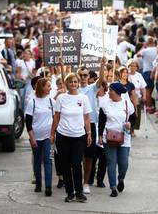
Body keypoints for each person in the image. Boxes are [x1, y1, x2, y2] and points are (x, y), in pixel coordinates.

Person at [50, 73, 92, 203]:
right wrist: (52, 134)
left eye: (75, 81)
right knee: (65, 165)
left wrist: (89, 133)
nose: (73, 84)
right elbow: (56, 117)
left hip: (79, 136)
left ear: (78, 83)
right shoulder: (61, 98)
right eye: (70, 82)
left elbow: (86, 117)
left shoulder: (83, 98)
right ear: (66, 83)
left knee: (76, 163)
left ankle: (79, 192)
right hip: (63, 136)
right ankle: (70, 193)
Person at [98, 82, 135, 197]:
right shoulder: (105, 104)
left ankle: (121, 178)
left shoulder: (127, 104)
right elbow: (102, 121)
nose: (109, 92)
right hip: (108, 137)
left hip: (124, 137)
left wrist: (130, 124)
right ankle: (113, 187)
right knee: (111, 163)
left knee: (124, 163)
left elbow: (133, 118)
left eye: (111, 90)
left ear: (117, 92)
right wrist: (100, 136)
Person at [76, 59, 105, 195]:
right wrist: (63, 67)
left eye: (85, 75)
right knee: (76, 156)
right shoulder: (74, 88)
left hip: (91, 124)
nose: (82, 77)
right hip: (75, 124)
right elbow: (65, 80)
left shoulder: (92, 88)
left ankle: (86, 182)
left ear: (89, 76)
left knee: (89, 155)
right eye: (80, 75)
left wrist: (103, 65)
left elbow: (101, 80)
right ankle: (77, 181)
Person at [25, 78, 56, 197]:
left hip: (48, 138)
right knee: (37, 161)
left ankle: (48, 187)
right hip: (35, 137)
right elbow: (28, 122)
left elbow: (55, 120)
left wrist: (53, 134)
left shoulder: (51, 102)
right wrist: (32, 138)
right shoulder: (32, 102)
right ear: (42, 87)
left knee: (48, 161)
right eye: (48, 86)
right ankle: (38, 184)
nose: (50, 88)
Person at [127, 59, 146, 130]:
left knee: (136, 113)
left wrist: (144, 96)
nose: (132, 67)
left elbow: (143, 87)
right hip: (128, 97)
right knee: (129, 114)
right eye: (131, 66)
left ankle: (133, 129)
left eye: (134, 66)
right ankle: (130, 129)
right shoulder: (126, 75)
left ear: (137, 67)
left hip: (137, 97)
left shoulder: (139, 75)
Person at [140, 37, 157, 113]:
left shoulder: (144, 51)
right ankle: (155, 107)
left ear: (147, 43)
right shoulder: (157, 49)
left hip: (147, 71)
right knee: (155, 90)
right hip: (156, 71)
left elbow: (138, 54)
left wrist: (144, 46)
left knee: (148, 90)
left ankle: (149, 107)